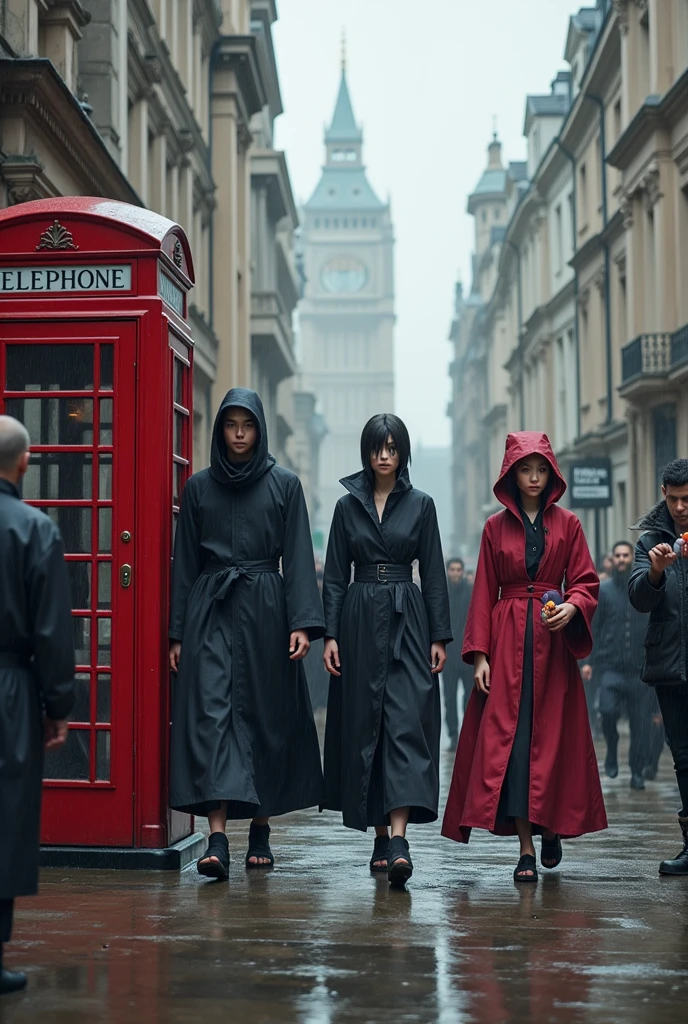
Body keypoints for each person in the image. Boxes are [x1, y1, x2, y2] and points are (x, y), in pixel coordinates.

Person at [169, 389, 325, 878]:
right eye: (231, 424)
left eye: (247, 425)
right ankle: (217, 836)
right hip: (210, 612)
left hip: (266, 612)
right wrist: (177, 632)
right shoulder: (198, 488)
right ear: (219, 430)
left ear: (259, 429)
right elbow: (184, 565)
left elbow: (298, 557)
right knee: (211, 719)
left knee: (264, 719)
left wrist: (302, 622)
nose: (239, 433)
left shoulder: (285, 485)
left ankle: (260, 827)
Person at [441, 432, 607, 883]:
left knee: (552, 741)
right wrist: (479, 656)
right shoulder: (494, 528)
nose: (533, 478)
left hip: (554, 648)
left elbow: (587, 582)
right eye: (525, 470)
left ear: (551, 475)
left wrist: (573, 605)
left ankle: (551, 828)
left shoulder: (569, 524)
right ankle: (526, 848)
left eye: (540, 471)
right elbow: (482, 593)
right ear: (511, 474)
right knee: (512, 748)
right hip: (507, 643)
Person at [322, 414, 452, 885]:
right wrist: (330, 635)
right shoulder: (345, 508)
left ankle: (399, 840)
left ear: (403, 454)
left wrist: (439, 636)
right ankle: (380, 835)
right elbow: (335, 577)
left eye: (393, 448)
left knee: (404, 725)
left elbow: (434, 573)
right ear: (366, 452)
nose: (384, 456)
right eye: (377, 447)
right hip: (357, 621)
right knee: (365, 725)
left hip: (407, 621)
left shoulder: (422, 505)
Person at [0, 416, 75, 994]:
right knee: (6, 816)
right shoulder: (35, 530)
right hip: (11, 687)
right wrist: (58, 705)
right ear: (25, 464)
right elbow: (51, 633)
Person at [629, 458, 688, 875]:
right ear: (663, 494)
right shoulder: (650, 539)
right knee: (683, 756)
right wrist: (655, 572)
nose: (681, 506)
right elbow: (638, 599)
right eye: (675, 499)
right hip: (670, 663)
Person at [583, 541, 651, 789]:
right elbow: (594, 627)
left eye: (626, 555)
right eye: (618, 555)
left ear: (632, 558)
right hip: (610, 667)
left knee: (639, 724)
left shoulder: (643, 588)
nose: (622, 559)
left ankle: (636, 771)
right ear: (612, 559)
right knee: (608, 712)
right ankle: (611, 747)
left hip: (639, 671)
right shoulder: (603, 590)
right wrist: (588, 661)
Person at [442, 557, 473, 749]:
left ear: (462, 571)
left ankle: (468, 734)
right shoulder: (441, 592)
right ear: (447, 571)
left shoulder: (471, 593)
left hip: (468, 654)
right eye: (452, 569)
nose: (455, 573)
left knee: (469, 697)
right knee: (450, 697)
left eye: (458, 570)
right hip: (448, 655)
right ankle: (453, 735)